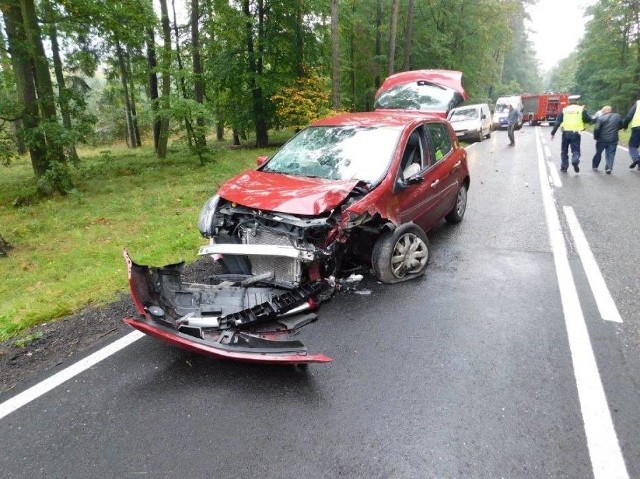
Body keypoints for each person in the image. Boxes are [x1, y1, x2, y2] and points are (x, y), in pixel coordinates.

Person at [551, 95, 594, 173]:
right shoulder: (581, 109)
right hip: (576, 133)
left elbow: (558, 122)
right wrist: (586, 113)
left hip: (565, 133)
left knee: (564, 150)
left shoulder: (564, 110)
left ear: (568, 102)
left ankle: (564, 167)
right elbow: (588, 120)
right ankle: (575, 160)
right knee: (575, 150)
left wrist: (553, 133)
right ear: (577, 101)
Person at [592, 105, 622, 174]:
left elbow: (596, 129)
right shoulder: (617, 116)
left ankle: (595, 166)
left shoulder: (600, 118)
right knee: (611, 153)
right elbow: (621, 125)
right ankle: (609, 168)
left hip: (601, 139)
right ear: (610, 110)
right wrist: (616, 129)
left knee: (598, 153)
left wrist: (595, 136)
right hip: (613, 138)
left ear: (604, 111)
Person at [622, 98, 640, 170]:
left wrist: (625, 125)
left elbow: (629, 116)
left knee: (632, 146)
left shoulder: (638, 103)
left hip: (637, 127)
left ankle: (636, 158)